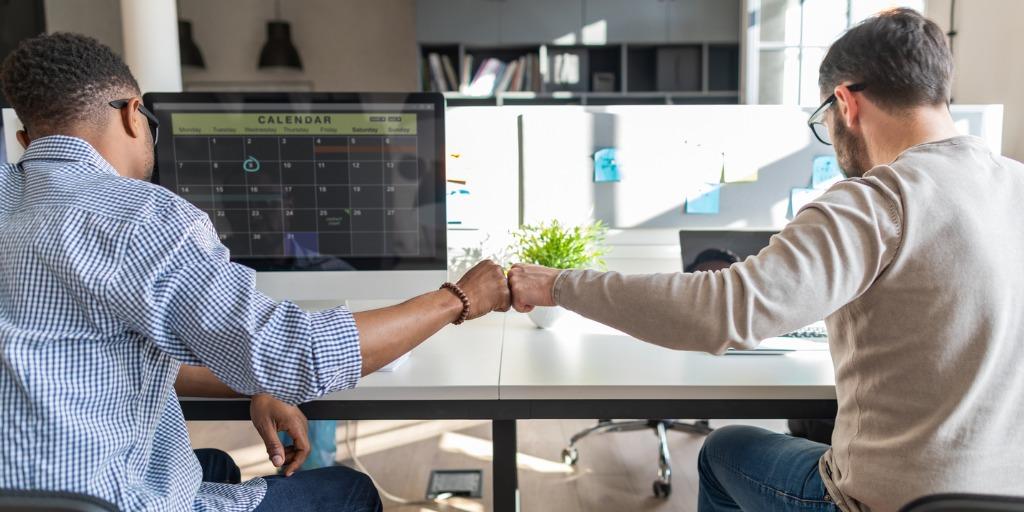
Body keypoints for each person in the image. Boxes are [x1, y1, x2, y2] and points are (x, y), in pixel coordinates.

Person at [508, 8, 1024, 512]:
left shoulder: (876, 202)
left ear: (845, 102)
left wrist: (558, 284)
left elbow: (722, 312)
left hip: (885, 503)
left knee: (723, 451)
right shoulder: (1016, 185)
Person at [0, 33, 510, 511]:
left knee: (215, 463)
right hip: (115, 500)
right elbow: (302, 352)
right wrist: (458, 298)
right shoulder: (143, 217)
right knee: (349, 490)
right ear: (135, 115)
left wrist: (256, 380)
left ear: (25, 137)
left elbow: (104, 360)